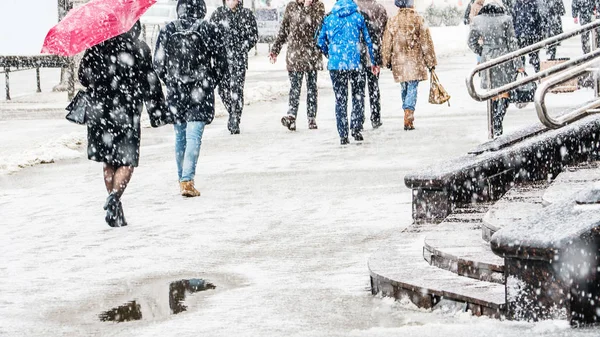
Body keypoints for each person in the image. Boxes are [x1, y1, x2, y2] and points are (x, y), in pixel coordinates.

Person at [78, 21, 168, 227]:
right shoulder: (139, 48)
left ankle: (114, 204)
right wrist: (158, 112)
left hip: (100, 111)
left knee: (108, 159)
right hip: (127, 111)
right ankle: (115, 198)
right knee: (127, 160)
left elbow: (83, 78)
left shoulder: (96, 45)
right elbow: (150, 83)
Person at [154, 0, 228, 197]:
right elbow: (221, 61)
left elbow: (158, 62)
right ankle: (187, 179)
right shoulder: (209, 29)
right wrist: (210, 80)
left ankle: (182, 179)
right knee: (194, 136)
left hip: (176, 91)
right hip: (200, 90)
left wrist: (170, 80)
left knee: (180, 136)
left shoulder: (168, 29)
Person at [317, 0, 378, 145]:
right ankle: (356, 128)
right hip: (354, 62)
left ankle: (343, 134)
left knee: (340, 99)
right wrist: (373, 61)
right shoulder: (358, 17)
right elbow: (369, 40)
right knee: (358, 95)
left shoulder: (329, 17)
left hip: (336, 65)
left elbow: (320, 41)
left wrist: (330, 53)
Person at [468, 0, 523, 137]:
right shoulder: (506, 19)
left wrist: (482, 51)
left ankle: (493, 122)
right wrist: (518, 64)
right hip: (504, 58)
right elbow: (512, 43)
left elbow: (471, 41)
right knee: (505, 91)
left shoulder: (477, 20)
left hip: (487, 60)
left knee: (491, 92)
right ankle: (499, 119)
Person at [269, 0, 325, 131]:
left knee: (312, 87)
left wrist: (306, 8)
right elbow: (284, 30)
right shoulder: (291, 6)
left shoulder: (318, 6)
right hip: (295, 55)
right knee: (295, 87)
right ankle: (291, 116)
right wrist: (275, 50)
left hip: (311, 54)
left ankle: (311, 118)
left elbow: (314, 27)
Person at [382, 0, 437, 131]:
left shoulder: (393, 21)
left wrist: (386, 59)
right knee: (412, 86)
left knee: (404, 87)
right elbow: (426, 43)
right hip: (414, 61)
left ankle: (406, 111)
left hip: (399, 61)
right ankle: (409, 113)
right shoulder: (418, 19)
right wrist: (431, 62)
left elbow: (387, 43)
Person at [210, 0, 258, 134]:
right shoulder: (218, 14)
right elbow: (211, 35)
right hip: (222, 60)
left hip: (239, 59)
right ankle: (232, 112)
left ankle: (235, 117)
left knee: (237, 89)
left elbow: (253, 36)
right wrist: (216, 50)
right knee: (223, 90)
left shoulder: (246, 14)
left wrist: (242, 48)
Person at [356, 0, 388, 129]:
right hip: (374, 53)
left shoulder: (355, 7)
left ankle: (359, 117)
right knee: (374, 87)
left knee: (359, 88)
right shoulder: (379, 8)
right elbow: (383, 30)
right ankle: (375, 116)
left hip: (359, 55)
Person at [513, 0, 543, 73]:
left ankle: (537, 74)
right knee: (523, 58)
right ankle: (524, 76)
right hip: (524, 35)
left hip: (529, 35)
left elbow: (539, 21)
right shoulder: (518, 5)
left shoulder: (532, 4)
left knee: (532, 57)